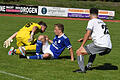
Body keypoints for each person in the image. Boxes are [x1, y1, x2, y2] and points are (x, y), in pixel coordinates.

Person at [73, 8, 112, 73]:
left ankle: (82, 70)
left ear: (90, 14)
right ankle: (88, 66)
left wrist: (82, 45)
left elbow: (88, 33)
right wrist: (83, 39)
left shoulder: (92, 21)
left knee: (79, 52)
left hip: (100, 44)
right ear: (97, 14)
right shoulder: (102, 22)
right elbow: (98, 35)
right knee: (92, 51)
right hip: (108, 46)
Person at [9, 24, 74, 61]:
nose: (54, 31)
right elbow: (54, 43)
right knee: (41, 37)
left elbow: (70, 49)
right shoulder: (57, 36)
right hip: (48, 47)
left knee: (46, 55)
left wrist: (72, 58)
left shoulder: (65, 39)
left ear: (60, 30)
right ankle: (37, 54)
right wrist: (48, 40)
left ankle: (27, 57)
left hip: (53, 54)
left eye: (55, 29)